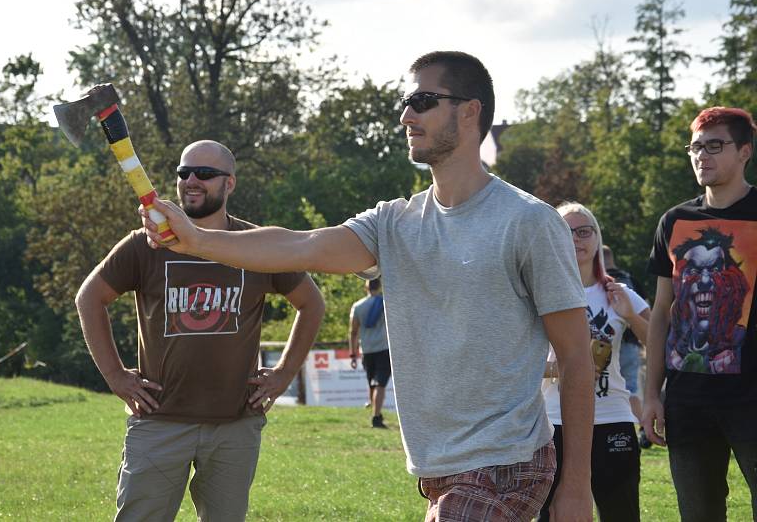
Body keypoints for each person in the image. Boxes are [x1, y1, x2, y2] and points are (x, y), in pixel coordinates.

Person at [142, 51, 595, 522]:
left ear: (469, 110)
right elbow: (302, 246)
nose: (406, 115)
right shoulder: (393, 222)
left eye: (423, 100)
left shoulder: (528, 222)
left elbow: (576, 357)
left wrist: (577, 488)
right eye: (406, 101)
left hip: (507, 464)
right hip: (437, 470)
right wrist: (198, 239)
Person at [74, 140, 325, 522]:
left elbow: (312, 304)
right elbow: (89, 298)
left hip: (235, 424)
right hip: (159, 420)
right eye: (183, 172)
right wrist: (115, 376)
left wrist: (284, 374)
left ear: (230, 185)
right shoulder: (147, 244)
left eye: (205, 174)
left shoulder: (256, 246)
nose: (191, 180)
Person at [642, 106, 757, 521]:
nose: (701, 156)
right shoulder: (675, 221)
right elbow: (660, 313)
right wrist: (652, 394)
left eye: (714, 145)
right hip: (687, 400)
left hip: (752, 398)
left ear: (744, 151)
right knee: (699, 514)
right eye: (695, 147)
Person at [539, 203, 651, 522]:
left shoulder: (618, 293)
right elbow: (515, 361)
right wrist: (563, 369)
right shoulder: (536, 295)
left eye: (584, 231)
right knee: (555, 515)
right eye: (566, 232)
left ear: (596, 237)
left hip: (612, 418)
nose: (576, 239)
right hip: (554, 421)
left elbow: (661, 342)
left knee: (621, 513)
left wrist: (630, 315)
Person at [602, 244, 652, 448]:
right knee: (629, 388)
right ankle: (641, 428)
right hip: (630, 342)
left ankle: (636, 426)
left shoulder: (599, 281)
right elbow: (647, 307)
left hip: (603, 342)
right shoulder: (629, 280)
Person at [349, 278, 391, 428]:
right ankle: (376, 417)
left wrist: (352, 354)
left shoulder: (357, 306)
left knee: (372, 383)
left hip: (366, 350)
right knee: (380, 383)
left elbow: (353, 332)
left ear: (365, 287)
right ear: (379, 286)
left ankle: (376, 412)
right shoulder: (386, 303)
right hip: (384, 348)